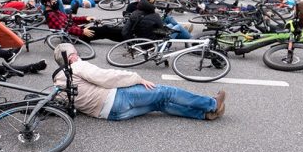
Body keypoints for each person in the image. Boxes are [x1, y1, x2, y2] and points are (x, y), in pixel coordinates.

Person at [51, 43, 223, 121]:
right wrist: (137, 78)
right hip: (116, 100)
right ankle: (212, 104)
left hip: (109, 115)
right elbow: (107, 78)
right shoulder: (77, 66)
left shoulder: (58, 82)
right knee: (165, 92)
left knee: (159, 103)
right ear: (72, 56)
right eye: (76, 52)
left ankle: (203, 114)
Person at [42, 0, 125, 42]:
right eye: (53, 0)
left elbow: (71, 19)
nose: (56, 2)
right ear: (47, 3)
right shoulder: (50, 15)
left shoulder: (55, 11)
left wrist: (85, 18)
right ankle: (127, 37)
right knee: (105, 30)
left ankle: (126, 34)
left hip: (77, 31)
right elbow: (63, 29)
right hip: (74, 36)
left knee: (106, 30)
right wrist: (81, 31)